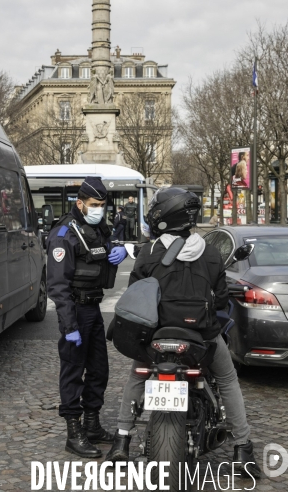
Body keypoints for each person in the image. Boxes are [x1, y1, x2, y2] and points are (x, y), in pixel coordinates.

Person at [106, 187, 261, 480]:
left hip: (157, 337)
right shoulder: (212, 253)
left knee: (137, 374)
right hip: (201, 338)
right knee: (228, 379)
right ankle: (243, 448)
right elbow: (220, 300)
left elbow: (135, 296)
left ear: (164, 216)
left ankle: (122, 439)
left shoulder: (149, 253)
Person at [47, 177, 127, 458]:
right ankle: (74, 431)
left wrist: (121, 249)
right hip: (75, 311)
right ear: (79, 203)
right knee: (73, 371)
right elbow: (58, 286)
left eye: (102, 205)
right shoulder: (63, 234)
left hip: (93, 308)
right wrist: (69, 325)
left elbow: (101, 251)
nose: (99, 210)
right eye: (94, 205)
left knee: (99, 369)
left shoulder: (96, 228)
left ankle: (92, 425)